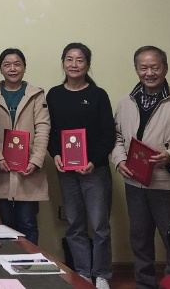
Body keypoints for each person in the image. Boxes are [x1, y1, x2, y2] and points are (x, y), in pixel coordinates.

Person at [112, 46, 170, 289]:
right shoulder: (124, 102)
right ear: (136, 69)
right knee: (140, 240)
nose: (149, 73)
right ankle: (144, 284)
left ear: (165, 68)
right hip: (134, 182)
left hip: (167, 185)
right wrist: (120, 161)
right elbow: (117, 137)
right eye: (143, 68)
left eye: (155, 67)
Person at [46, 43, 115, 289]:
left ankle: (102, 274)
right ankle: (83, 273)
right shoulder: (54, 95)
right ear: (62, 63)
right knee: (74, 224)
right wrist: (55, 153)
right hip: (66, 171)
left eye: (79, 60)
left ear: (87, 64)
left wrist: (94, 161)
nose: (74, 64)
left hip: (95, 170)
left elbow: (108, 134)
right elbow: (51, 131)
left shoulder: (98, 95)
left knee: (99, 225)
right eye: (69, 59)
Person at [0, 48, 49, 244]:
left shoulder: (36, 94)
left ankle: (30, 262)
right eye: (7, 65)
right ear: (0, 68)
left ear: (24, 67)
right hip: (1, 168)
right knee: (6, 223)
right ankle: (9, 261)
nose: (12, 69)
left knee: (28, 222)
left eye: (17, 64)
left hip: (28, 168)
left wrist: (36, 160)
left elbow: (43, 128)